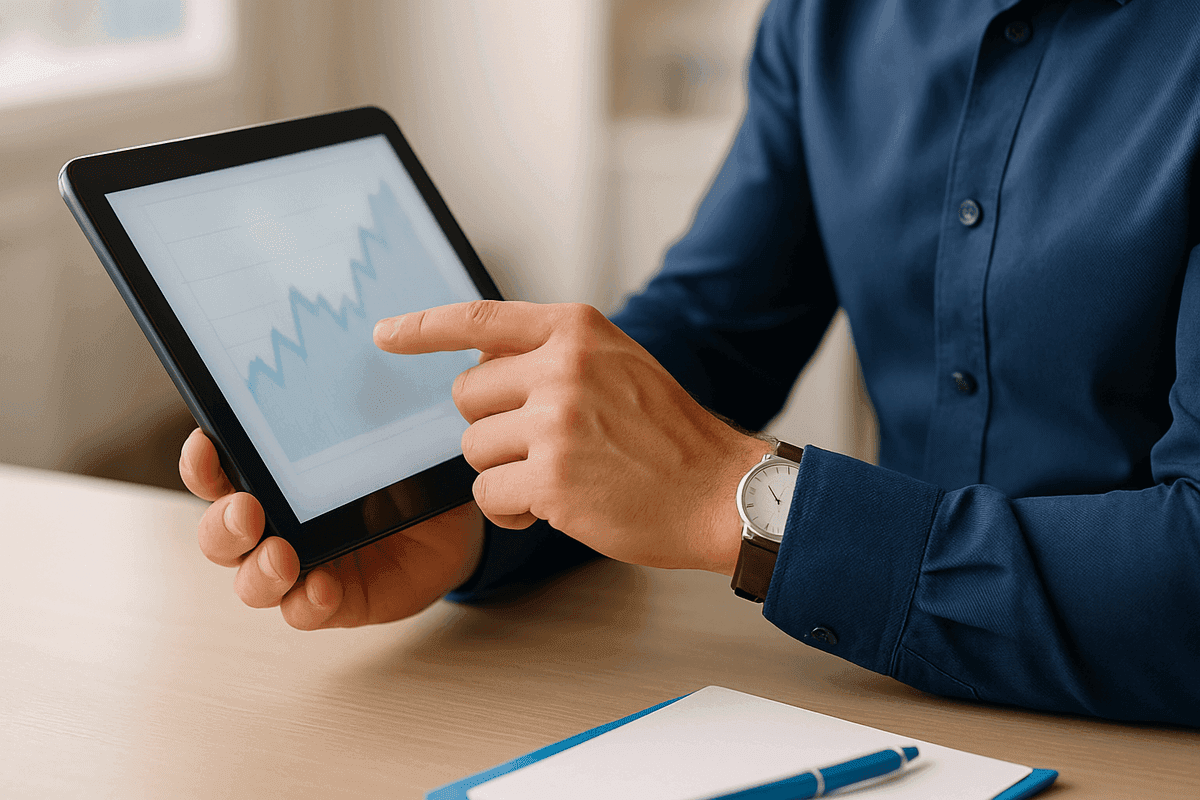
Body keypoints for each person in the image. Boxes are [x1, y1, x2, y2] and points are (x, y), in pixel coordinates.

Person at [180, 0, 1200, 727]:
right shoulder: (824, 21)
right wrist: (491, 513)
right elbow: (715, 329)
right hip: (895, 710)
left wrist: (748, 502)